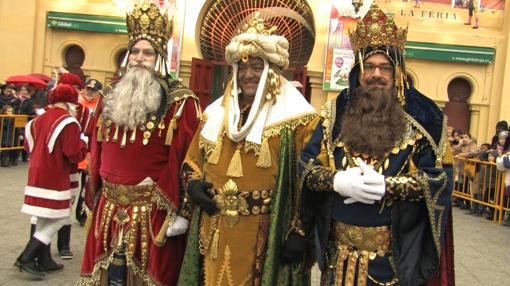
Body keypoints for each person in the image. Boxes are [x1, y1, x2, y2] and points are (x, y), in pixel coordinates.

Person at [299, 3, 454, 285]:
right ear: (358, 71)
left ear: (397, 75)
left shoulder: (424, 122)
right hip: (337, 260)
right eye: (369, 66)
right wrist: (336, 181)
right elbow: (306, 168)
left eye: (385, 67)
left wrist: (388, 186)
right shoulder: (333, 115)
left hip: (392, 264)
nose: (376, 74)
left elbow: (439, 180)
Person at [178, 13, 317, 286]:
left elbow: (309, 179)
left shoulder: (299, 118)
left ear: (271, 70)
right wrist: (193, 185)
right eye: (242, 67)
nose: (248, 74)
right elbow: (192, 160)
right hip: (215, 227)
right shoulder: (215, 113)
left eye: (256, 66)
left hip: (263, 233)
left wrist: (299, 231)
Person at [78, 1, 200, 285]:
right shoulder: (109, 97)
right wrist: (92, 195)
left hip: (154, 216)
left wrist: (181, 213)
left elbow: (188, 161)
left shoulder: (180, 102)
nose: (139, 58)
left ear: (160, 57)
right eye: (134, 51)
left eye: (148, 52)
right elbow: (96, 153)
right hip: (108, 210)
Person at [14, 83, 88, 279]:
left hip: (36, 173)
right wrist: (84, 144)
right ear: (70, 102)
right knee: (61, 217)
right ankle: (27, 256)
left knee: (42, 216)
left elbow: (28, 147)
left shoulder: (38, 120)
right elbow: (74, 154)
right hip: (55, 174)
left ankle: (42, 258)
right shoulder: (69, 122)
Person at [75, 79, 103, 226]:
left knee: (85, 186)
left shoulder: (100, 107)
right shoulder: (78, 104)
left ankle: (82, 214)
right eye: (88, 89)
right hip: (76, 152)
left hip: (89, 153)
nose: (90, 93)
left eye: (93, 91)